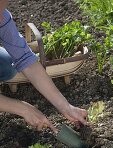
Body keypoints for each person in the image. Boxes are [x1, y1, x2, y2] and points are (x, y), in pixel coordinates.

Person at [0, 0, 87, 134]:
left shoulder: (2, 17)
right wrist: (22, 108)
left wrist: (65, 107)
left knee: (6, 64)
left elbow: (25, 58)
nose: (1, 16)